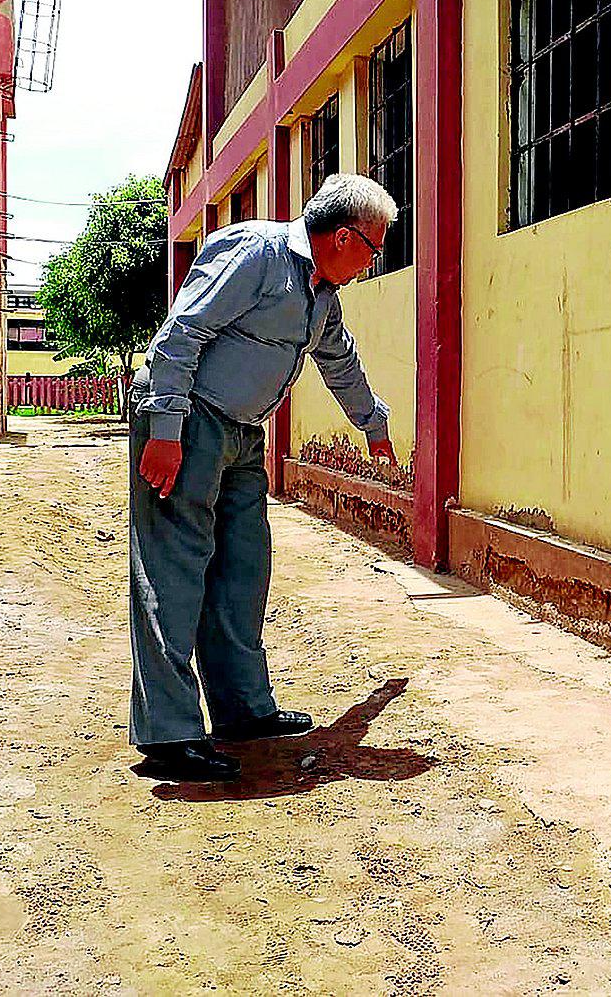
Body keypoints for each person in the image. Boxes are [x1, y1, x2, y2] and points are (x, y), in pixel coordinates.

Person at [126, 174, 399, 783]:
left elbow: (340, 361)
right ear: (342, 237)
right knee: (173, 570)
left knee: (243, 568)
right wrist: (166, 429)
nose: (372, 262)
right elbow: (182, 332)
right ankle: (170, 735)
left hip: (244, 435)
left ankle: (243, 710)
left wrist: (373, 425)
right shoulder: (258, 255)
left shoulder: (322, 294)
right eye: (373, 249)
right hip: (188, 419)